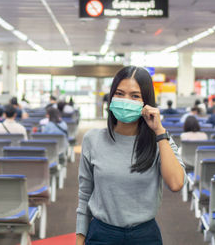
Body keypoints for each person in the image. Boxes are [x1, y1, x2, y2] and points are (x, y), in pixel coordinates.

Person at [76, 66, 185, 245]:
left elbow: (176, 183)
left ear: (146, 103)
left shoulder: (160, 141)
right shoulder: (93, 139)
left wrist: (159, 131)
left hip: (145, 235)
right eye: (119, 93)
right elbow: (85, 194)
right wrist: (80, 239)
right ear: (111, 97)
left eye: (135, 96)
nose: (126, 100)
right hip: (102, 234)